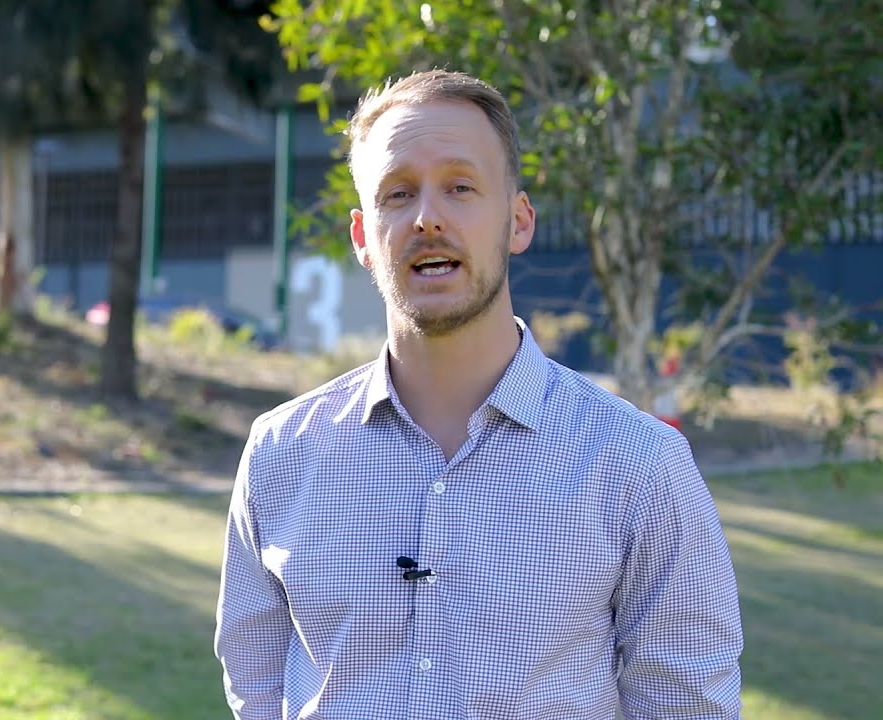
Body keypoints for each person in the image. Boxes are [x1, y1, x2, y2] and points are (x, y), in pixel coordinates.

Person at [212, 69, 743, 720]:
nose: (427, 217)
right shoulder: (279, 454)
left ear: (517, 222)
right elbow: (256, 693)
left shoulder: (640, 466)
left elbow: (686, 709)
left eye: (460, 187)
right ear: (362, 240)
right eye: (397, 194)